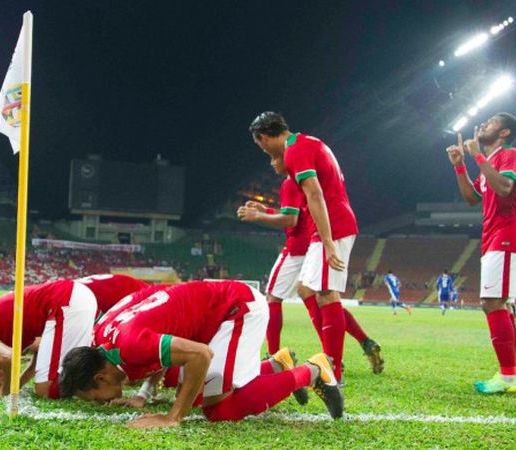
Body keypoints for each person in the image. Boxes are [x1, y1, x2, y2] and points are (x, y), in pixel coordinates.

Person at [59, 281, 342, 429]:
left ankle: (313, 370)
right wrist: (144, 395)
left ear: (100, 376)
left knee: (219, 410)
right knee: (191, 391)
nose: (100, 402)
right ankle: (276, 365)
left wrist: (173, 416)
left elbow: (200, 355)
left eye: (94, 397)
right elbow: (153, 329)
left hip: (236, 309)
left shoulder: (129, 344)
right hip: (214, 312)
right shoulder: (103, 335)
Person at [249, 112, 358, 382]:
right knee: (308, 288)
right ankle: (331, 361)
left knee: (326, 292)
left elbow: (315, 194)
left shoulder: (295, 151)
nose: (264, 151)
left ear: (263, 138)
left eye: (260, 145)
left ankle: (333, 369)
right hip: (328, 227)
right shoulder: (308, 143)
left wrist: (329, 242)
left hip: (332, 227)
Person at [238, 177, 383, 374]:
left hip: (298, 245)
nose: (273, 163)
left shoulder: (292, 180)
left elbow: (291, 219)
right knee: (321, 297)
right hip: (315, 241)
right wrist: (268, 211)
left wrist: (259, 216)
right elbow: (298, 212)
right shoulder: (310, 179)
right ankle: (362, 343)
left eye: (275, 158)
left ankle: (274, 358)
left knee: (273, 296)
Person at [0, 274, 147, 399]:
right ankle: (110, 380)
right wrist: (19, 382)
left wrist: (5, 392)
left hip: (65, 302)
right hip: (67, 302)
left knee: (46, 390)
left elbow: (9, 357)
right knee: (49, 382)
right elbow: (41, 350)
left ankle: (108, 385)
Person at [446, 113, 516, 394]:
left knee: (492, 302)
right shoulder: (490, 165)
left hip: (507, 236)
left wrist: (478, 157)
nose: (483, 124)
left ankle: (508, 377)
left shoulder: (510, 155)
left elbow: (505, 188)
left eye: (491, 122)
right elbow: (472, 199)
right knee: (499, 304)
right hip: (493, 237)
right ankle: (508, 375)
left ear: (504, 133)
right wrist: (460, 167)